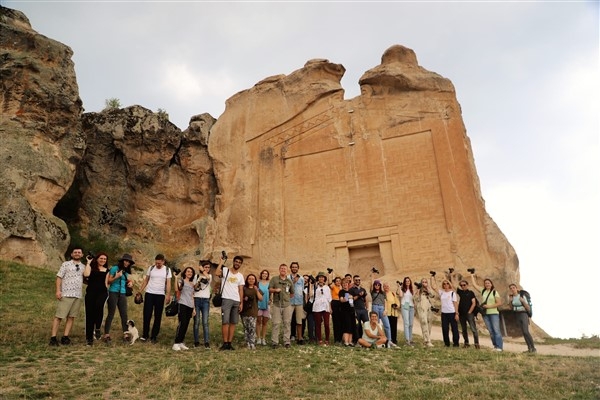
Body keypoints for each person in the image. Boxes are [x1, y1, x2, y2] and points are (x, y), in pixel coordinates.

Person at [49, 247, 85, 346]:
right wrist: (58, 290)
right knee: (59, 316)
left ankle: (65, 337)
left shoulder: (83, 267)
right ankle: (53, 338)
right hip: (66, 294)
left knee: (71, 317)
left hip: (77, 295)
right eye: (75, 252)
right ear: (72, 254)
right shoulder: (66, 264)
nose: (77, 254)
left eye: (79, 252)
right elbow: (59, 277)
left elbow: (87, 278)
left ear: (82, 255)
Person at [139, 254, 172, 344]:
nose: (157, 265)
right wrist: (140, 291)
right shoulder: (151, 268)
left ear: (163, 261)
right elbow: (146, 280)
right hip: (149, 293)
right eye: (156, 263)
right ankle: (145, 335)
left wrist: (168, 295)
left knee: (158, 316)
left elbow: (168, 283)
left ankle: (154, 336)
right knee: (147, 314)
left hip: (160, 295)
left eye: (159, 263)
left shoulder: (167, 270)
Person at [103, 253, 134, 344]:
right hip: (113, 292)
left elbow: (126, 280)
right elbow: (108, 281)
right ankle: (106, 334)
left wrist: (130, 283)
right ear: (122, 261)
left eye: (128, 262)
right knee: (111, 313)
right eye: (125, 261)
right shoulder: (114, 269)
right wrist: (116, 276)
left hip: (123, 293)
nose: (127, 263)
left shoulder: (126, 271)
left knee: (124, 314)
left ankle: (126, 334)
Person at [216, 254, 245, 350]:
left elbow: (241, 289)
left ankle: (229, 343)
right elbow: (216, 273)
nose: (237, 263)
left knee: (233, 322)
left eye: (239, 263)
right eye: (236, 261)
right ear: (233, 262)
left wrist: (241, 303)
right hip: (226, 299)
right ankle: (225, 342)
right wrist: (221, 262)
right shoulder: (226, 271)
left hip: (236, 300)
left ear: (241, 264)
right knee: (225, 322)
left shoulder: (240, 276)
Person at [470, 274, 503, 351]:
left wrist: (489, 306)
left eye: (488, 283)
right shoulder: (483, 291)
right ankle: (495, 346)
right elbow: (474, 285)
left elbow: (499, 303)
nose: (487, 284)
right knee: (491, 331)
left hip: (494, 313)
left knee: (496, 330)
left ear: (491, 284)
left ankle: (499, 347)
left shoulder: (495, 292)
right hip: (485, 314)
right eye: (486, 283)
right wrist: (471, 275)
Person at [83, 252, 109, 346]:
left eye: (105, 259)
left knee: (99, 306)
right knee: (89, 315)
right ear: (97, 259)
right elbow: (86, 275)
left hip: (102, 293)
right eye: (101, 258)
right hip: (90, 293)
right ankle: (89, 339)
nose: (103, 260)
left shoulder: (107, 270)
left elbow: (106, 282)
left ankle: (97, 327)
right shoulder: (91, 267)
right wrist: (88, 262)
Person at [269, 264, 294, 348]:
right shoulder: (274, 279)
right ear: (279, 269)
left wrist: (287, 298)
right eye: (282, 268)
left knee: (287, 323)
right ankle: (274, 342)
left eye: (284, 269)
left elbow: (292, 293)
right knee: (276, 323)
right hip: (277, 304)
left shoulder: (289, 281)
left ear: (287, 270)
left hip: (287, 305)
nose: (283, 270)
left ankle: (287, 341)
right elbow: (270, 289)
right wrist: (275, 290)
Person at [432, 276, 460, 347]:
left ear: (449, 284)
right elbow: (434, 287)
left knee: (454, 329)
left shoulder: (452, 293)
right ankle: (446, 343)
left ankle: (456, 343)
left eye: (447, 283)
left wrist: (456, 313)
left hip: (452, 312)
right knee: (445, 329)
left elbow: (455, 303)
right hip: (444, 313)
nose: (446, 285)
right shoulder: (442, 292)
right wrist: (432, 277)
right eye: (444, 284)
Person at [173, 267, 196, 351]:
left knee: (186, 324)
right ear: (185, 273)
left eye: (191, 272)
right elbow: (177, 289)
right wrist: (176, 278)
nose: (190, 273)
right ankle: (176, 343)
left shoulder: (192, 284)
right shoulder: (181, 281)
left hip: (190, 306)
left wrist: (194, 309)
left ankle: (181, 342)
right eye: (188, 271)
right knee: (182, 323)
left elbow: (192, 296)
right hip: (182, 304)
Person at [508, 283, 536, 353]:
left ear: (516, 288)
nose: (512, 289)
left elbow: (528, 307)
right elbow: (511, 308)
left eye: (513, 287)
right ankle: (529, 349)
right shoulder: (511, 297)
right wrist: (510, 302)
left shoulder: (521, 296)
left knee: (526, 331)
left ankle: (533, 348)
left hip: (523, 314)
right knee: (523, 332)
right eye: (511, 288)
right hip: (517, 314)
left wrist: (523, 301)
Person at [193, 260, 213, 348]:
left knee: (205, 322)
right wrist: (199, 280)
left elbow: (208, 278)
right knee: (196, 321)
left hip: (205, 300)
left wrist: (203, 271)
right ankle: (196, 341)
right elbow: (194, 287)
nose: (207, 269)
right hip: (197, 299)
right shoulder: (196, 276)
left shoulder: (210, 276)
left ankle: (206, 341)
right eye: (205, 267)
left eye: (208, 267)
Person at [241, 273, 263, 350]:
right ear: (247, 280)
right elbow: (240, 297)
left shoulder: (257, 288)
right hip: (244, 310)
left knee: (252, 327)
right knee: (246, 327)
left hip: (253, 310)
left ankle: (252, 342)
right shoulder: (244, 288)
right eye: (249, 279)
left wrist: (256, 290)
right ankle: (247, 342)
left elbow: (261, 298)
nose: (251, 280)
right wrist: (244, 299)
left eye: (253, 279)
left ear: (255, 280)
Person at [456, 279, 480, 349]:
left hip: (469, 314)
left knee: (473, 329)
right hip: (462, 314)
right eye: (461, 285)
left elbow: (474, 303)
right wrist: (451, 274)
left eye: (464, 285)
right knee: (464, 329)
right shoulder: (460, 292)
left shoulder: (471, 293)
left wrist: (470, 312)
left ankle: (476, 343)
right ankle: (466, 343)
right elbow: (454, 286)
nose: (463, 286)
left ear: (467, 285)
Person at [371, 279, 394, 347]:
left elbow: (385, 302)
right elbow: (370, 284)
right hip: (375, 307)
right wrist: (372, 275)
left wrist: (385, 310)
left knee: (387, 324)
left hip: (382, 308)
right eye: (376, 284)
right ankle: (378, 340)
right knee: (376, 324)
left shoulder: (383, 293)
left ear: (380, 285)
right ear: (374, 285)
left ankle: (389, 340)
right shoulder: (372, 292)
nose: (377, 286)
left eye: (378, 285)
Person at [414, 277, 436, 347]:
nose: (424, 283)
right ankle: (428, 341)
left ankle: (426, 339)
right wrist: (418, 290)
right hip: (421, 307)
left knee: (429, 323)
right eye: (423, 282)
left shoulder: (428, 289)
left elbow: (433, 295)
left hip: (429, 307)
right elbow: (415, 298)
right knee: (424, 322)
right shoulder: (418, 290)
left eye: (425, 282)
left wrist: (428, 288)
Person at [312, 272, 332, 346]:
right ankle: (319, 339)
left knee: (326, 324)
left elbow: (329, 298)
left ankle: (327, 339)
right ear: (318, 279)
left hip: (325, 306)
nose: (321, 278)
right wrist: (314, 286)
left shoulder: (327, 287)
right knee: (318, 324)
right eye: (320, 277)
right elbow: (311, 295)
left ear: (324, 279)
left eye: (322, 277)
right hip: (317, 306)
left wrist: (330, 307)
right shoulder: (315, 286)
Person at [288, 261, 305, 344]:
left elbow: (302, 290)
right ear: (290, 268)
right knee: (288, 320)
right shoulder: (287, 277)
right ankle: (287, 337)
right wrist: (293, 282)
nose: (294, 268)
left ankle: (300, 337)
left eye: (296, 267)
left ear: (298, 268)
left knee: (299, 321)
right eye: (293, 267)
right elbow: (287, 288)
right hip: (289, 302)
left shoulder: (301, 278)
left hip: (299, 302)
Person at [349, 275, 369, 343]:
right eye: (356, 280)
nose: (358, 281)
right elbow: (351, 299)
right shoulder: (351, 290)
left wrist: (367, 308)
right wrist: (358, 295)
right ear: (354, 281)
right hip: (356, 309)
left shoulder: (363, 289)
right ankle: (357, 340)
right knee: (357, 325)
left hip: (363, 309)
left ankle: (367, 339)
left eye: (359, 280)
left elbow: (366, 299)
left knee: (367, 324)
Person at [397, 277, 415, 346]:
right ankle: (407, 340)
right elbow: (401, 295)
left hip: (411, 306)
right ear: (404, 282)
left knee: (411, 324)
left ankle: (410, 339)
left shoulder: (411, 290)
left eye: (408, 281)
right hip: (405, 306)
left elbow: (414, 297)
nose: (407, 282)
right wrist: (399, 287)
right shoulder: (402, 289)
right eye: (406, 281)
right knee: (406, 323)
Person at [338, 279, 356, 346]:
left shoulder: (350, 292)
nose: (345, 285)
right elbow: (342, 300)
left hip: (351, 311)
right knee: (346, 326)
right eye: (344, 284)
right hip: (345, 311)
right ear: (342, 285)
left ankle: (350, 341)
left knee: (352, 326)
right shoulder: (341, 292)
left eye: (346, 283)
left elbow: (352, 303)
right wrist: (348, 297)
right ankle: (346, 341)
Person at [256, 269, 271, 346]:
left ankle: (263, 338)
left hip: (266, 305)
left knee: (265, 322)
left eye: (266, 274)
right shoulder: (258, 283)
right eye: (263, 273)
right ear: (261, 274)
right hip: (259, 304)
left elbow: (270, 293)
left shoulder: (269, 284)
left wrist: (270, 300)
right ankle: (258, 338)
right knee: (258, 322)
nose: (264, 275)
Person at [329, 275, 343, 344]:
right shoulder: (333, 287)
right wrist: (331, 275)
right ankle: (336, 339)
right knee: (335, 322)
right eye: (337, 281)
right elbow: (330, 284)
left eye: (339, 281)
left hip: (341, 304)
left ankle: (340, 338)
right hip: (334, 303)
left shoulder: (342, 288)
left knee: (340, 322)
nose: (338, 282)